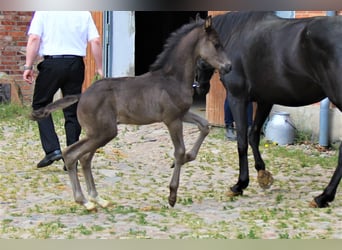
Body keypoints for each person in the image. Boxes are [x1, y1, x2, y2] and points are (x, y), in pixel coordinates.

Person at [23, 11, 103, 170]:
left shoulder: (43, 11)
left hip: (52, 64)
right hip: (75, 64)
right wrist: (99, 67)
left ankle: (53, 149)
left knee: (40, 106)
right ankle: (71, 156)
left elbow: (34, 38)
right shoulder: (83, 13)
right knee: (72, 109)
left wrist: (28, 66)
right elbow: (96, 41)